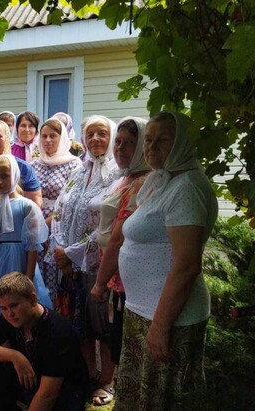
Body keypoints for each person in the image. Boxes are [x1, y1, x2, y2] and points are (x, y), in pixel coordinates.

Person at [114, 112, 217, 410]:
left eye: (163, 140)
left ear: (182, 143)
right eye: (149, 139)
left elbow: (186, 265)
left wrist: (160, 327)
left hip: (168, 317)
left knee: (160, 399)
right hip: (146, 310)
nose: (152, 146)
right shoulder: (165, 181)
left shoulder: (187, 187)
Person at [83, 116, 150, 406]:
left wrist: (100, 282)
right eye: (119, 142)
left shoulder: (145, 182)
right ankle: (118, 386)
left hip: (122, 275)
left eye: (130, 143)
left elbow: (118, 237)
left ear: (143, 147)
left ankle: (118, 387)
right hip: (110, 269)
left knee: (118, 335)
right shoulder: (126, 178)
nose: (120, 148)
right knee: (112, 331)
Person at [40, 115, 117, 338]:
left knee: (101, 326)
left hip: (97, 262)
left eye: (102, 133)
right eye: (89, 134)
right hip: (68, 264)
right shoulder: (78, 172)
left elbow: (109, 223)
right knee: (76, 322)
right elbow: (59, 212)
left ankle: (104, 374)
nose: (95, 139)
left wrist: (71, 253)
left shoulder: (117, 175)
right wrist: (60, 251)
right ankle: (86, 372)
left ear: (112, 137)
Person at [0, 273, 88, 411]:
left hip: (64, 391)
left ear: (33, 299)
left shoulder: (57, 331)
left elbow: (48, 395)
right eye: (3, 308)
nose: (9, 313)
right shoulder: (10, 318)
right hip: (32, 381)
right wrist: (14, 356)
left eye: (14, 306)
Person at [0, 155, 51, 326]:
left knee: (20, 304)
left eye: (4, 176)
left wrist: (29, 278)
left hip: (18, 261)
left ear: (15, 175)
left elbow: (33, 245)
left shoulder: (27, 206)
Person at [31, 118, 82, 220]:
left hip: (60, 220)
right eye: (44, 136)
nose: (48, 140)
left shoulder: (73, 164)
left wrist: (46, 224)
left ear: (62, 138)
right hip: (34, 219)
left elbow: (72, 200)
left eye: (53, 136)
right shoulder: (34, 165)